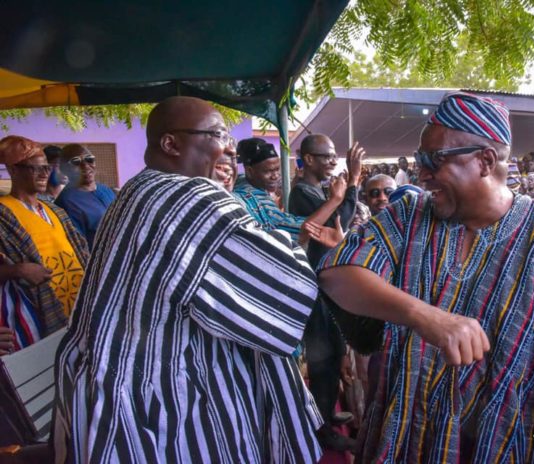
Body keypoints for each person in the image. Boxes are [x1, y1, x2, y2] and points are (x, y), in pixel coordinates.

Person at [318, 92, 534, 463]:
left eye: (434, 160)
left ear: (485, 160)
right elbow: (337, 274)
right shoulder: (411, 215)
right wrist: (425, 316)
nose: (422, 173)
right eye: (420, 160)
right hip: (395, 446)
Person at [53, 97, 323, 463]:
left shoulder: (135, 190)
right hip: (157, 403)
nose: (228, 147)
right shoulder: (186, 196)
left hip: (105, 383)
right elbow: (283, 284)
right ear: (171, 144)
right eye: (216, 134)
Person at [289, 134, 363, 452]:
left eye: (335, 156)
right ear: (307, 159)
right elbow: (338, 224)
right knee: (322, 359)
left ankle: (325, 416)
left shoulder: (318, 189)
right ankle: (319, 433)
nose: (333, 161)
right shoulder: (302, 193)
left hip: (326, 285)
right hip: (314, 287)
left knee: (333, 355)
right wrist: (355, 182)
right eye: (327, 156)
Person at [0, 136, 89, 351]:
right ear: (13, 170)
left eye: (47, 168)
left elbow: (82, 252)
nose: (44, 174)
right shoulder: (3, 212)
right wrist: (18, 270)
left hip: (78, 311)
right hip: (37, 317)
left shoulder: (55, 211)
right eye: (35, 168)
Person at [234, 137, 346, 241]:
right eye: (268, 171)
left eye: (277, 169)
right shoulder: (250, 196)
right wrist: (335, 199)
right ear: (249, 171)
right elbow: (301, 231)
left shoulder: (251, 186)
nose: (275, 176)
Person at [55, 144, 117, 249]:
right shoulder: (66, 203)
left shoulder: (105, 190)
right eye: (76, 162)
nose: (85, 166)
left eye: (89, 159)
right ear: (64, 169)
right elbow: (78, 247)